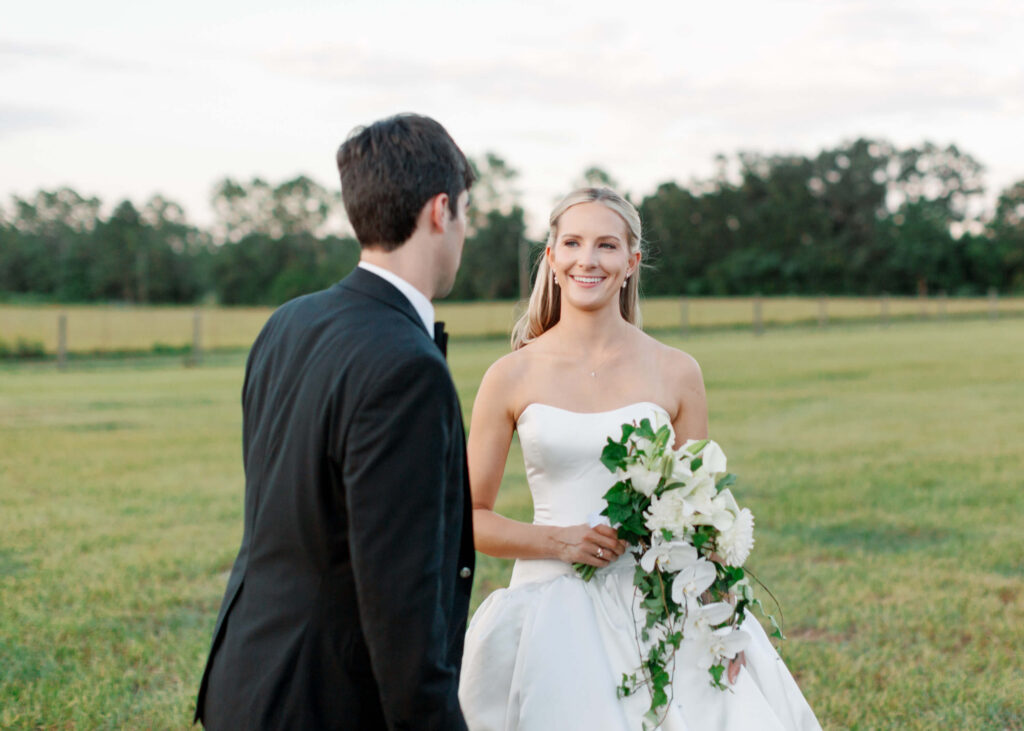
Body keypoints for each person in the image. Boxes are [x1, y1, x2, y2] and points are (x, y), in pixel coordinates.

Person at [457, 187, 821, 729]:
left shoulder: (676, 371)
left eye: (606, 245)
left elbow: (701, 512)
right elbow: (469, 518)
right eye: (574, 243)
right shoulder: (510, 375)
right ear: (552, 258)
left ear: (631, 262)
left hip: (656, 601)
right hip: (548, 607)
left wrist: (722, 623)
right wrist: (560, 540)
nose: (589, 259)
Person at [194, 113, 476, 730]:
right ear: (439, 211)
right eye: (466, 212)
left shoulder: (287, 323)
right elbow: (399, 601)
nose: (466, 231)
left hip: (244, 677)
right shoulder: (407, 368)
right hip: (325, 702)